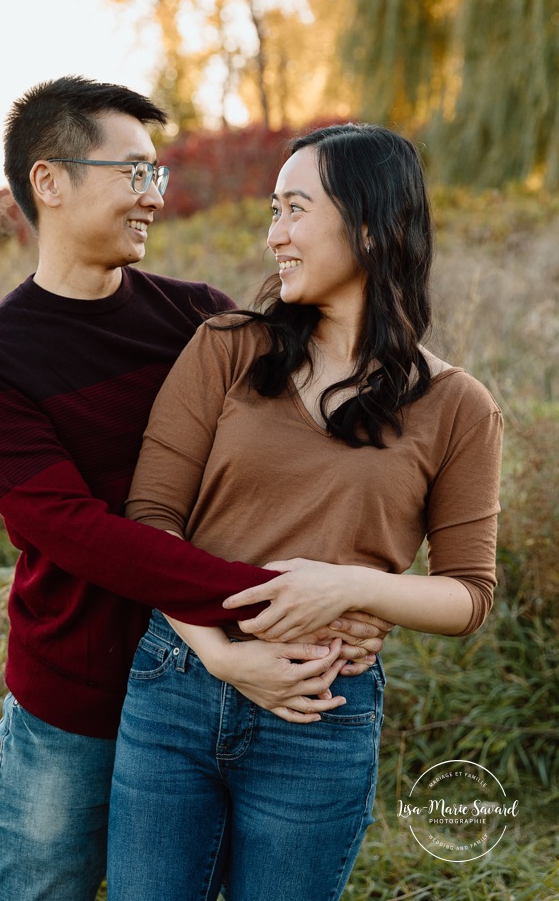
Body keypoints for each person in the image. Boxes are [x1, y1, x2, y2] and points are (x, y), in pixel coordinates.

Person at [0, 77, 388, 901]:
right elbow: (81, 531)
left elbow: (307, 453)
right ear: (50, 181)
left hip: (211, 693)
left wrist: (350, 588)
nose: (153, 197)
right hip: (76, 699)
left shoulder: (201, 320)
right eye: (133, 173)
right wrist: (286, 599)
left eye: (159, 176)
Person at [107, 123, 503, 901]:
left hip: (319, 711)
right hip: (177, 684)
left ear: (367, 223)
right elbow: (148, 521)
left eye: (293, 209)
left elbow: (468, 595)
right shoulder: (225, 348)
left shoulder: (458, 407)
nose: (273, 235)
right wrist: (223, 654)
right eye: (273, 211)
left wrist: (346, 588)